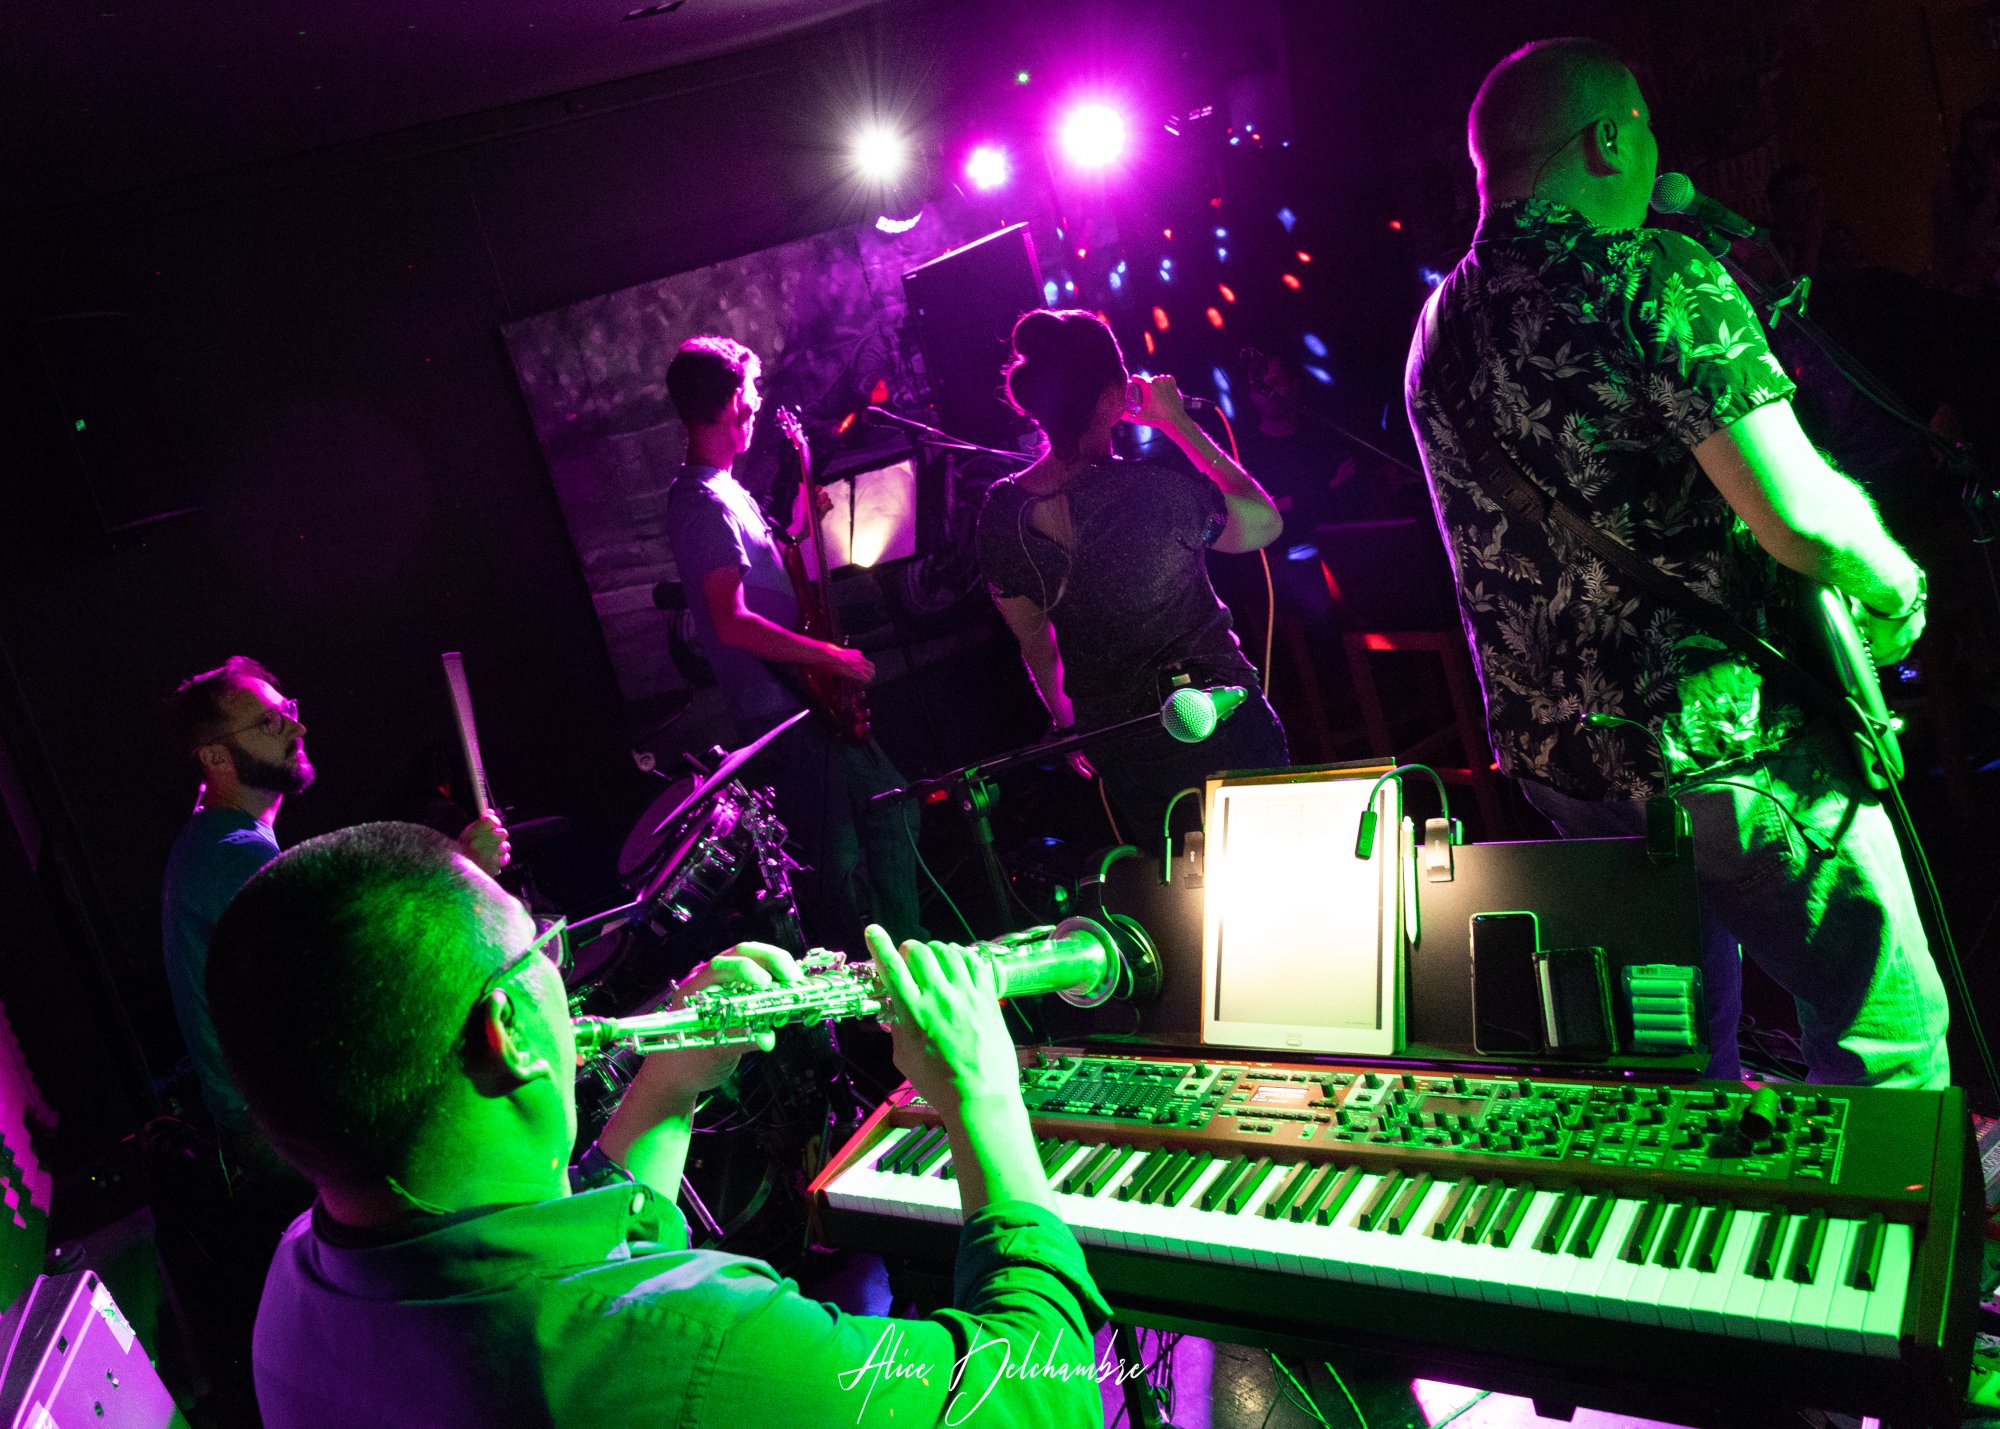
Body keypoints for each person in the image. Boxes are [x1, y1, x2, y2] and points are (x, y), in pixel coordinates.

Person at [1404, 38, 1949, 1088]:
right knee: (1887, 1041)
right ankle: (1881, 1204)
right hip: (1729, 760)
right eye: (1646, 128)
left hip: (1567, 776)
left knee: (1676, 1065)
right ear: (1608, 140)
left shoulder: (1435, 331)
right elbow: (1803, 517)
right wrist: (1897, 589)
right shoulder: (1652, 272)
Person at [205, 821, 1109, 1427]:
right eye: (542, 946)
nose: (562, 971)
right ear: (508, 1031)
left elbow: (572, 1270)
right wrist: (981, 1093)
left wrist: (669, 1088)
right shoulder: (703, 1344)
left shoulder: (294, 1283)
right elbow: (1043, 1391)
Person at [162, 656, 509, 1153]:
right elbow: (358, 973)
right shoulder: (232, 855)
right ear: (215, 757)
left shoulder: (216, 842)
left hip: (283, 1120)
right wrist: (464, 871)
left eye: (288, 710)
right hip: (283, 1135)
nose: (298, 728)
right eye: (270, 722)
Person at [975, 309, 1289, 841]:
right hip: (1219, 721)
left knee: (1176, 884)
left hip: (1118, 742)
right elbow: (1264, 523)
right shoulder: (1153, 490)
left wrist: (1070, 726)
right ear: (1113, 395)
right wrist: (1177, 422)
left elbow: (1035, 641)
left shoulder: (1000, 514)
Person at [663, 337, 919, 948]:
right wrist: (830, 655)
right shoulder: (702, 502)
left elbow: (778, 588)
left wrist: (802, 527)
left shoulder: (727, 491)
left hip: (805, 703)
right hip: (783, 714)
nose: (757, 402)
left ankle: (904, 948)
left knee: (892, 808)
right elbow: (731, 622)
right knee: (836, 867)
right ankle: (867, 980)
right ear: (732, 401)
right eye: (750, 390)